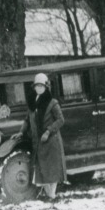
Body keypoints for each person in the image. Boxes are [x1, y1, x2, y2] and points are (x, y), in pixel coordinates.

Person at [21, 72, 66, 200]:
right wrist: (21, 132)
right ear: (34, 87)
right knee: (42, 172)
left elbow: (61, 120)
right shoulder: (32, 103)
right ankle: (50, 196)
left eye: (41, 86)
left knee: (52, 172)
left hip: (51, 143)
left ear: (46, 87)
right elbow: (27, 120)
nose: (39, 88)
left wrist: (48, 131)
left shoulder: (52, 103)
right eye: (37, 86)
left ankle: (52, 196)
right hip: (39, 144)